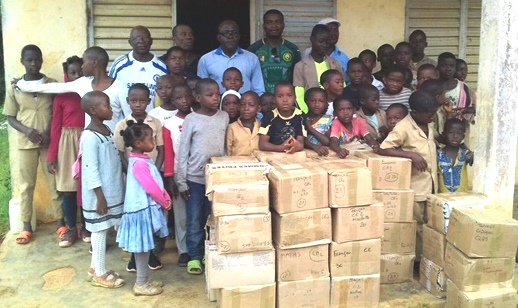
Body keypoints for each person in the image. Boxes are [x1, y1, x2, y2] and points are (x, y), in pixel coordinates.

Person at [4, 44, 63, 244]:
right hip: (25, 142)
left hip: (49, 141)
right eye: (29, 60)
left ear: (41, 60)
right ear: (22, 61)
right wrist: (28, 131)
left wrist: (48, 133)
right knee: (26, 185)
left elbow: (57, 111)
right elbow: (11, 117)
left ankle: (60, 222)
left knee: (54, 181)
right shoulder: (16, 87)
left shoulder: (51, 84)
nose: (33, 63)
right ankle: (26, 226)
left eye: (37, 59)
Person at [379, 90, 439, 264]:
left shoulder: (428, 122)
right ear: (415, 113)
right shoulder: (403, 127)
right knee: (418, 226)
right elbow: (384, 148)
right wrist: (410, 155)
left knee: (429, 224)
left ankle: (428, 257)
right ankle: (419, 262)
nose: (432, 118)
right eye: (429, 115)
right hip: (416, 186)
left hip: (431, 182)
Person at [176, 78, 229, 274]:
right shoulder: (191, 119)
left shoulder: (223, 116)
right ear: (198, 98)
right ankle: (194, 256)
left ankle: (209, 253)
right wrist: (181, 182)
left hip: (216, 179)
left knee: (212, 217)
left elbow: (224, 147)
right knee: (194, 219)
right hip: (195, 179)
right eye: (210, 95)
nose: (216, 98)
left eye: (217, 94)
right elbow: (183, 151)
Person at [116, 120, 171, 296]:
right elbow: (151, 187)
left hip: (144, 209)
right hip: (140, 211)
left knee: (145, 247)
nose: (154, 141)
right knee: (141, 248)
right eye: (151, 139)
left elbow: (155, 183)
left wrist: (165, 195)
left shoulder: (142, 159)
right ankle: (140, 283)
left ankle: (144, 279)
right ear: (139, 143)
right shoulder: (139, 164)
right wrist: (163, 201)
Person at [15, 46, 126, 131]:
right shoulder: (83, 83)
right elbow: (50, 88)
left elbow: (130, 117)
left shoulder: (119, 87)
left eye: (84, 62)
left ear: (94, 63)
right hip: (91, 139)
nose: (81, 66)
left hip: (113, 143)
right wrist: (22, 84)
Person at [80, 91, 125, 288]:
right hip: (100, 195)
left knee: (105, 227)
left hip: (111, 190)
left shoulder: (106, 129)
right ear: (93, 110)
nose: (111, 109)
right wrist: (99, 197)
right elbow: (90, 168)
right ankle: (100, 273)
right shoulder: (90, 137)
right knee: (100, 229)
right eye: (106, 105)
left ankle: (94, 267)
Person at [47, 56, 89, 247]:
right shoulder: (61, 96)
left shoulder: (89, 92)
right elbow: (55, 127)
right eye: (73, 72)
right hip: (66, 144)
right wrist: (51, 155)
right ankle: (71, 228)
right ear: (66, 74)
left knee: (88, 187)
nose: (77, 75)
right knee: (69, 189)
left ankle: (88, 226)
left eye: (80, 71)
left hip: (87, 140)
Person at [162, 83, 193, 267]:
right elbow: (168, 153)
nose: (184, 101)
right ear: (173, 101)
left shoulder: (198, 118)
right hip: (178, 176)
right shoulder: (169, 125)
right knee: (181, 217)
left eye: (187, 96)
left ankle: (200, 247)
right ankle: (184, 251)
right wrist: (170, 178)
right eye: (179, 98)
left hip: (197, 175)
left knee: (199, 215)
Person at [109, 25, 168, 113]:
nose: (141, 41)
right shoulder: (119, 65)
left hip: (153, 122)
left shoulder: (162, 67)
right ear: (130, 42)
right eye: (136, 38)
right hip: (125, 122)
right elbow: (111, 92)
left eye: (145, 38)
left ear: (151, 41)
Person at [197, 20, 265, 95]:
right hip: (216, 106)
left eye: (234, 33)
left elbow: (258, 90)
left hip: (245, 106)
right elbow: (202, 90)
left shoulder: (252, 58)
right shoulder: (206, 60)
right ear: (218, 37)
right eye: (226, 33)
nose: (230, 36)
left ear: (239, 36)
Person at [114, 84, 164, 174]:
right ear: (127, 101)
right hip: (132, 173)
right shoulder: (122, 125)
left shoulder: (156, 122)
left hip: (153, 171)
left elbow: (161, 150)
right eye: (133, 101)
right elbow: (120, 153)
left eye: (142, 101)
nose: (138, 105)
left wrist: (155, 171)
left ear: (149, 101)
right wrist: (130, 173)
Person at [248, 9, 301, 93]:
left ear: (283, 25)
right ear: (264, 26)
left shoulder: (293, 49)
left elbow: (298, 77)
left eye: (278, 22)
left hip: (286, 100)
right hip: (262, 100)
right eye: (269, 22)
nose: (274, 25)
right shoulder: (254, 49)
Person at [294, 24, 343, 113]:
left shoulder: (334, 64)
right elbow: (299, 95)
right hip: (311, 113)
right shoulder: (300, 66)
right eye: (321, 41)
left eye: (327, 42)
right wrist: (307, 113)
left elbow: (342, 89)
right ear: (312, 39)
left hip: (334, 112)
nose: (325, 45)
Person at [259, 81, 305, 153]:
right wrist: (280, 148)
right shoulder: (270, 117)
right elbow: (262, 144)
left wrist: (296, 146)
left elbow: (301, 143)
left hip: (294, 155)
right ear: (274, 99)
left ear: (295, 98)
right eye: (280, 96)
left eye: (289, 95)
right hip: (273, 155)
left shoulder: (300, 116)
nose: (285, 100)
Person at [437, 118, 471, 193]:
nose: (455, 136)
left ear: (463, 136)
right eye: (451, 132)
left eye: (459, 133)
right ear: (444, 134)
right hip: (443, 198)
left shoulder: (465, 154)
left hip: (462, 198)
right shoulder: (438, 155)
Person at [226, 91, 261, 156]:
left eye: (251, 105)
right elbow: (228, 152)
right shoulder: (232, 127)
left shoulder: (262, 126)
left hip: (258, 165)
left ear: (258, 108)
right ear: (239, 107)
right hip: (237, 164)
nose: (246, 108)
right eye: (242, 104)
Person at [304, 87, 333, 156]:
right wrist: (315, 147)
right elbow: (302, 140)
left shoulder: (329, 120)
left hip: (327, 155)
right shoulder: (301, 118)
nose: (317, 104)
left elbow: (328, 142)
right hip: (307, 155)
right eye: (313, 100)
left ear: (326, 103)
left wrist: (309, 128)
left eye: (321, 101)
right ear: (306, 101)